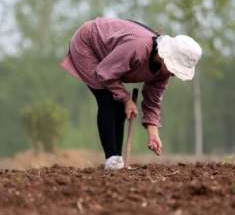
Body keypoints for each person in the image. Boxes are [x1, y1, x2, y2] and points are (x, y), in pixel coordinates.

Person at [60, 17, 202, 171]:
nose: (172, 73)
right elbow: (105, 73)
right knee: (108, 99)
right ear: (164, 56)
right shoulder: (138, 48)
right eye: (174, 68)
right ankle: (112, 159)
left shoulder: (164, 72)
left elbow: (153, 101)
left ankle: (116, 160)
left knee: (118, 102)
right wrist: (127, 100)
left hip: (109, 59)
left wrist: (153, 133)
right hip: (88, 43)